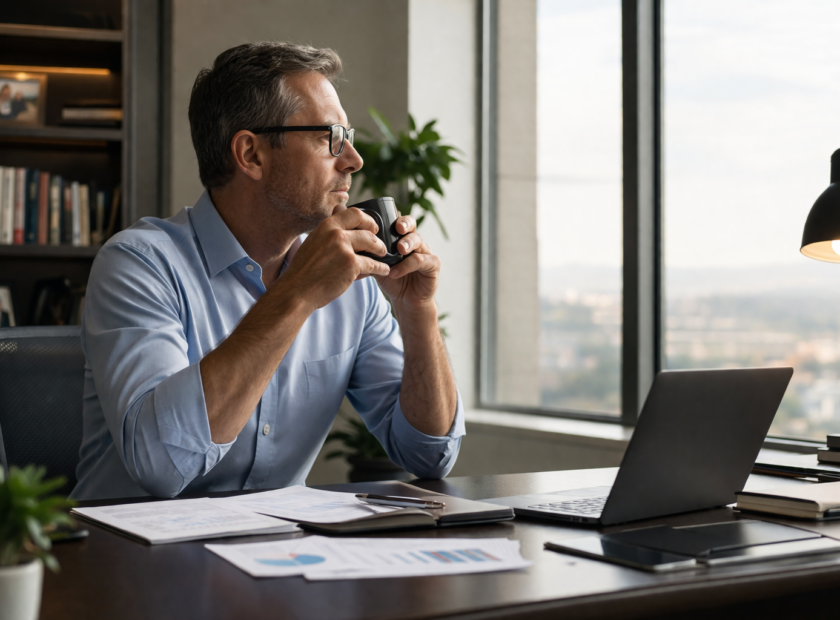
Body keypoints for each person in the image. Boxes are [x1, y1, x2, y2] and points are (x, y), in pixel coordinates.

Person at [71, 42, 464, 500]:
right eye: (330, 138)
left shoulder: (354, 283)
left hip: (278, 557)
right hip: (131, 561)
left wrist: (418, 314)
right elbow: (161, 465)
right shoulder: (138, 265)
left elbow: (430, 454)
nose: (354, 160)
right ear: (251, 155)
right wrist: (297, 295)